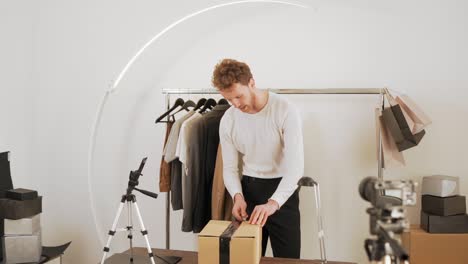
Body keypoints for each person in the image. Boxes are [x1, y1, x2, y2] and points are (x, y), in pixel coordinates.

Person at [212, 58, 304, 258]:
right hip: (249, 190)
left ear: (251, 83)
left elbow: (296, 169)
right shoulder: (228, 119)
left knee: (288, 261)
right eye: (229, 99)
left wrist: (273, 203)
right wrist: (237, 196)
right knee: (245, 259)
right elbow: (229, 168)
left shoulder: (285, 110)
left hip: (283, 193)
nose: (235, 104)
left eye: (238, 96)